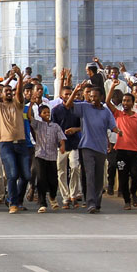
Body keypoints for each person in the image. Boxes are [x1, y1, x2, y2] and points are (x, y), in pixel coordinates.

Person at [0, 66, 32, 214]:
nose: (9, 92)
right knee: (12, 174)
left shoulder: (18, 105)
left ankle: (17, 200)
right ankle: (13, 204)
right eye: (6, 91)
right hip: (6, 144)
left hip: (21, 143)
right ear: (1, 94)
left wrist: (20, 78)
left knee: (26, 176)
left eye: (10, 90)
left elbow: (20, 93)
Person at [66, 82, 120, 214]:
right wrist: (75, 91)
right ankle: (90, 203)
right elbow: (68, 105)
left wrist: (118, 131)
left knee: (99, 176)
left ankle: (97, 202)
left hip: (100, 148)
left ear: (101, 97)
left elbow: (112, 126)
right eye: (90, 96)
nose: (92, 99)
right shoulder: (85, 107)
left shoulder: (106, 112)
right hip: (87, 146)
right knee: (89, 174)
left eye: (95, 96)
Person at [105, 79, 137, 210]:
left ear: (133, 103)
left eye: (128, 101)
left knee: (136, 175)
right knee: (122, 177)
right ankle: (127, 201)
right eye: (124, 101)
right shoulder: (118, 114)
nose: (125, 103)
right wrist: (112, 87)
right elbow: (107, 102)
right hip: (121, 151)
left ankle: (133, 192)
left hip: (134, 151)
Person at [52, 78, 83, 209]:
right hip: (61, 145)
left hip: (74, 143)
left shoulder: (78, 108)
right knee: (62, 171)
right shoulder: (56, 110)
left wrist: (75, 130)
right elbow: (53, 128)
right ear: (61, 96)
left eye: (71, 94)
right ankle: (65, 197)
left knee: (75, 167)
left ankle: (73, 194)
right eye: (66, 94)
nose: (69, 97)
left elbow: (83, 126)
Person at [30, 105, 66, 213]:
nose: (47, 114)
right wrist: (31, 103)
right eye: (44, 112)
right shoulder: (38, 125)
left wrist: (62, 145)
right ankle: (42, 203)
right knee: (41, 179)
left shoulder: (55, 126)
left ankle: (52, 197)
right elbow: (29, 117)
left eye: (48, 112)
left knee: (53, 180)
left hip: (52, 156)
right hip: (40, 155)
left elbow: (61, 137)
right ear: (40, 115)